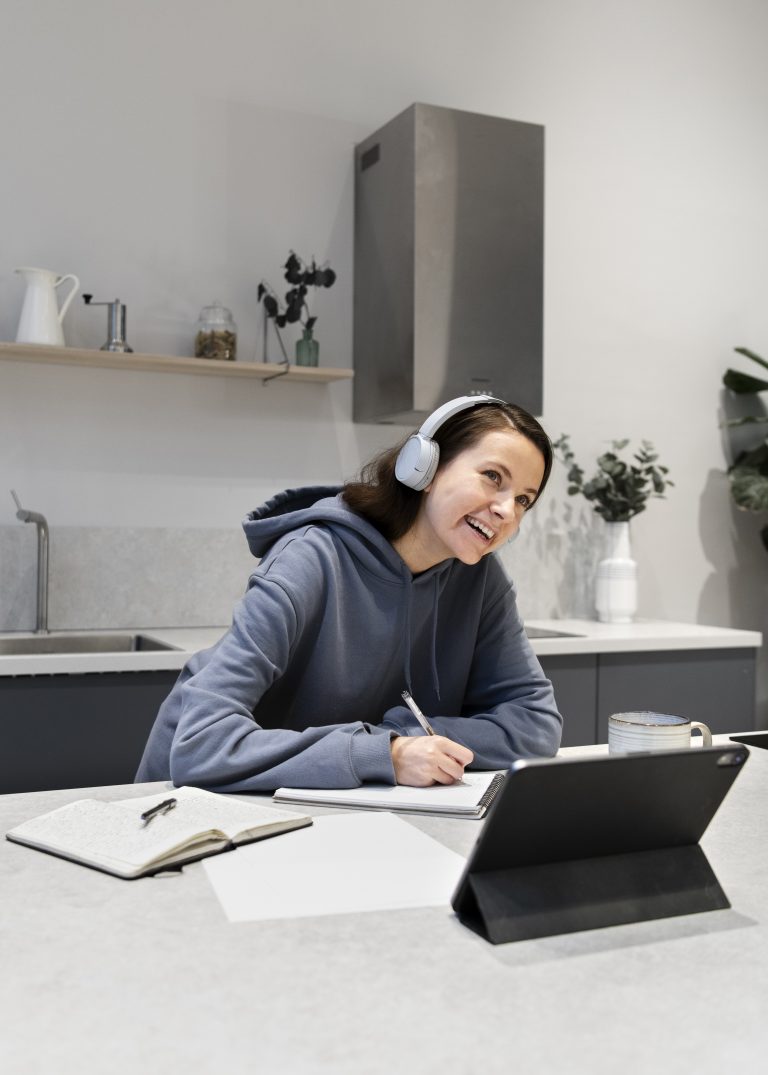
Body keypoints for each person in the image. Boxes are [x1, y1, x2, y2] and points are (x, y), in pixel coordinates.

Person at [136, 395, 562, 792]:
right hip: (186, 807)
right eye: (492, 477)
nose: (507, 511)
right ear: (426, 469)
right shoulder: (309, 558)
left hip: (324, 809)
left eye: (523, 499)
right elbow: (199, 744)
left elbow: (536, 726)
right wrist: (384, 754)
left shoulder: (480, 579)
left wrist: (404, 739)